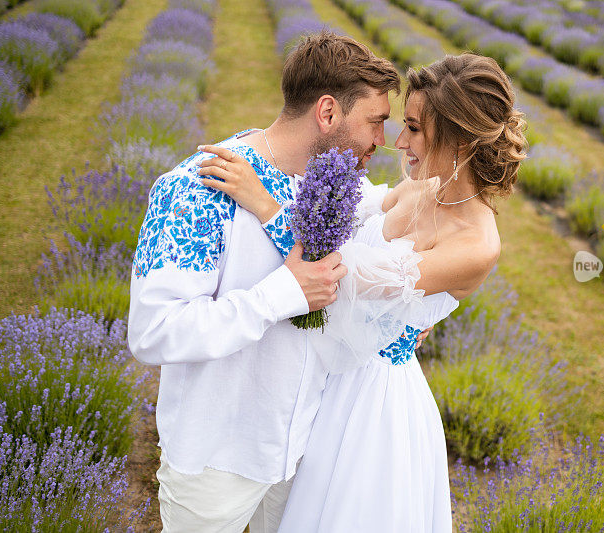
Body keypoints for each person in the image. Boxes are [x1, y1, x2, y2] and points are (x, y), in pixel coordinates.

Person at [199, 53, 527, 532]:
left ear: (456, 138)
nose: (398, 142)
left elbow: (347, 279)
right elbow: (341, 224)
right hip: (319, 377)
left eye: (413, 128)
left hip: (370, 408)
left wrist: (264, 203)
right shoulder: (418, 189)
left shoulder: (478, 244)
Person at [127, 31, 413, 532]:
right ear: (327, 113)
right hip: (216, 460)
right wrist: (281, 294)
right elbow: (154, 331)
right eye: (375, 122)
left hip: (306, 451)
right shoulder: (198, 187)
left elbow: (397, 217)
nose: (381, 142)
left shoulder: (339, 184)